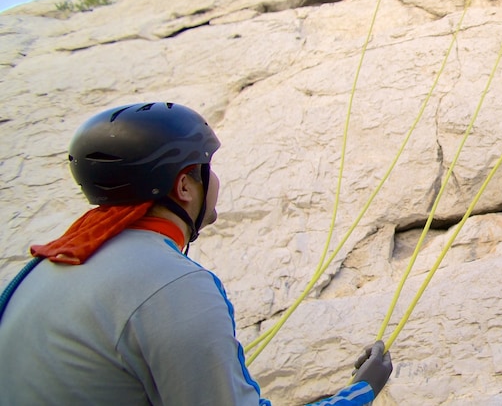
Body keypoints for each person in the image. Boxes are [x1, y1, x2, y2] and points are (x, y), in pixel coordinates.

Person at [0, 102, 393, 405]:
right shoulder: (173, 285)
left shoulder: (41, 269)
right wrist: (359, 392)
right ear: (185, 186)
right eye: (207, 168)